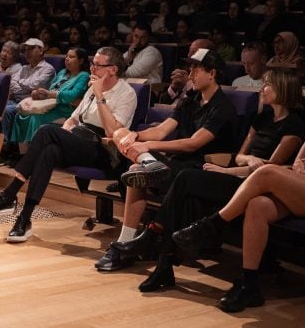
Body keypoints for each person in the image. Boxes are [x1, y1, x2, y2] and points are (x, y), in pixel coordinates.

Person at [170, 70, 305, 312]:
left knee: (267, 172)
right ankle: (250, 285)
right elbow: (300, 161)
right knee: (257, 205)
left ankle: (214, 223)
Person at [108, 69, 305, 287]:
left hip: (253, 184)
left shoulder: (294, 124)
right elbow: (240, 156)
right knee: (187, 192)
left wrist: (228, 171)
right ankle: (163, 265)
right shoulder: (262, 118)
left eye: (268, 84)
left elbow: (272, 170)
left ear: (283, 88)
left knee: (185, 179)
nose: (262, 88)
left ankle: (153, 238)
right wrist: (248, 159)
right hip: (239, 174)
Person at [0, 47, 137, 242]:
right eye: (93, 64)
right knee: (49, 150)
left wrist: (100, 96)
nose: (92, 69)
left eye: (98, 65)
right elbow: (73, 119)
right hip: (79, 139)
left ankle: (9, 195)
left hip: (104, 149)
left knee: (47, 131)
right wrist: (64, 134)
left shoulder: (126, 93)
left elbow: (112, 132)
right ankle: (24, 218)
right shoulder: (93, 88)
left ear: (113, 69)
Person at [93, 48, 238, 271]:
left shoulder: (222, 108)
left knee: (137, 169)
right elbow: (161, 130)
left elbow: (193, 143)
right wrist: (135, 135)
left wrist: (147, 145)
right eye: (190, 69)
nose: (190, 74)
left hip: (200, 171)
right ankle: (127, 238)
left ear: (212, 73)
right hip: (177, 164)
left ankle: (126, 242)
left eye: (196, 69)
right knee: (122, 136)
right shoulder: (190, 100)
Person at [9, 47, 90, 153]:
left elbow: (72, 95)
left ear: (81, 60)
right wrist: (39, 93)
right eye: (66, 56)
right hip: (51, 106)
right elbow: (50, 90)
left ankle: (33, 153)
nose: (67, 59)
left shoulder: (83, 76)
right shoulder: (62, 73)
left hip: (65, 110)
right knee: (21, 115)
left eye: (71, 57)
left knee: (34, 118)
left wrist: (50, 94)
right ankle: (21, 153)